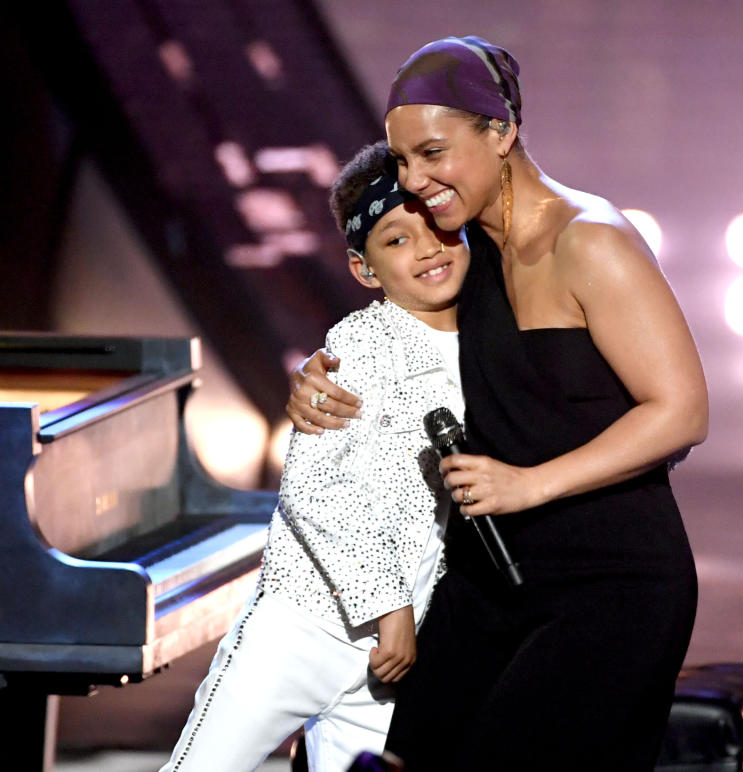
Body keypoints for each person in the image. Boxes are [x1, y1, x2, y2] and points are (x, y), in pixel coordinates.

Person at [287, 37, 708, 771]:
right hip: (489, 581)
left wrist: (528, 483)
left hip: (611, 585)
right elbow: (389, 338)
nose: (414, 181)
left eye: (431, 154)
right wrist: (317, 372)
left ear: (502, 131)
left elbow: (680, 412)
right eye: (402, 161)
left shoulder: (590, 243)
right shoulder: (464, 250)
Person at [160, 141, 468, 772]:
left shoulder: (489, 343)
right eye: (397, 239)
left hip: (389, 659)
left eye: (435, 227)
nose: (428, 249)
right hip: (303, 625)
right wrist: (392, 609)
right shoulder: (359, 345)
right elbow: (319, 489)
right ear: (364, 269)